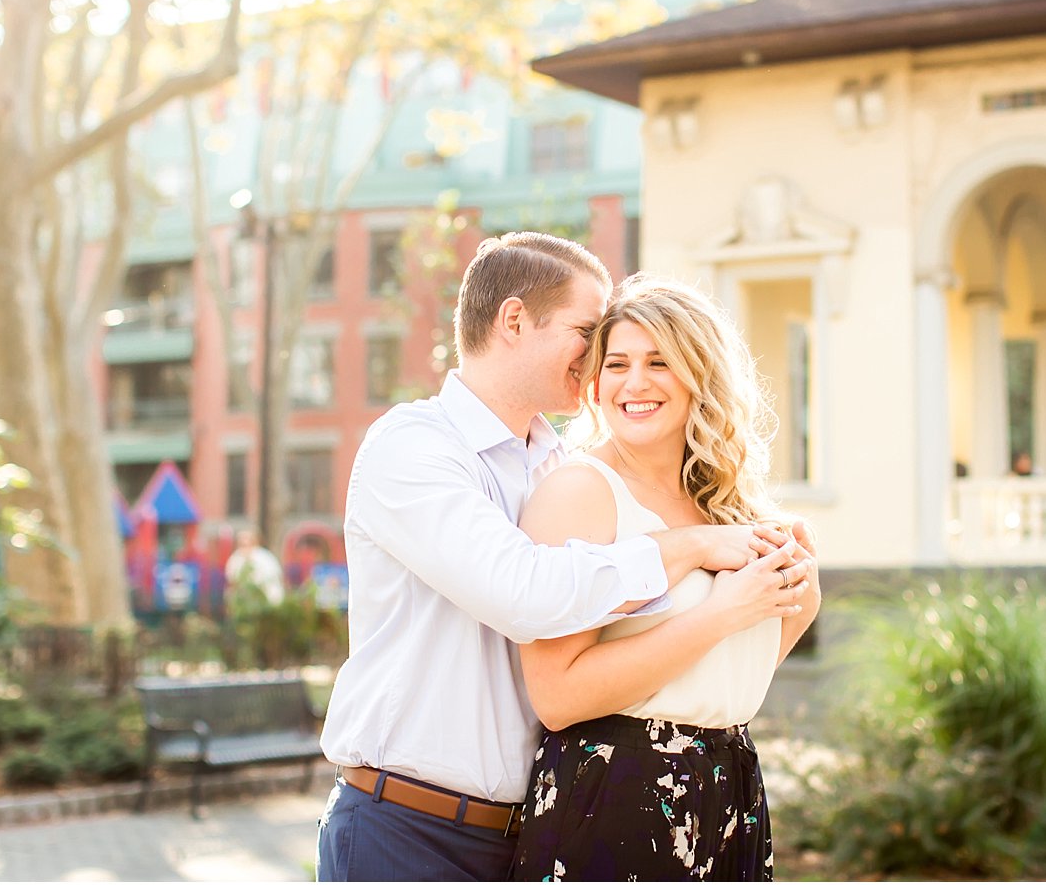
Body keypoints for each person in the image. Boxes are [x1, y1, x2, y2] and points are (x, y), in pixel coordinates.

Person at [315, 233, 812, 882]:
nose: (597, 353)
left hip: (532, 822)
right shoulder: (414, 449)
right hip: (410, 827)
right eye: (588, 331)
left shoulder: (554, 462)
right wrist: (691, 549)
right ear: (515, 320)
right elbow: (522, 594)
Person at [509, 275, 821, 882]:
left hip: (729, 785)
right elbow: (558, 697)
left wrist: (795, 608)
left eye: (659, 362)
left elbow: (710, 677)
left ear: (699, 375)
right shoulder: (581, 491)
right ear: (594, 382)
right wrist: (723, 612)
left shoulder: (727, 505)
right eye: (617, 363)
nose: (634, 382)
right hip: (616, 791)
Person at [223, 528, 285, 606]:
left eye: (248, 543)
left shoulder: (265, 557)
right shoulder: (235, 559)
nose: (245, 547)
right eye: (242, 544)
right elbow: (231, 580)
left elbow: (276, 577)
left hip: (266, 596)